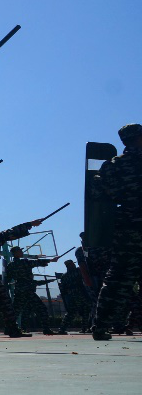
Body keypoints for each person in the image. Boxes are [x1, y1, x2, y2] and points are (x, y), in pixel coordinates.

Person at [91, 123, 142, 340]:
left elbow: (98, 192)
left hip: (127, 227)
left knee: (118, 279)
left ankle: (100, 326)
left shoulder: (113, 165)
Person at [5, 246, 59, 334]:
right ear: (16, 253)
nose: (21, 252)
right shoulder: (24, 262)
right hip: (28, 289)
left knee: (15, 311)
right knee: (42, 308)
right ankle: (46, 329)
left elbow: (7, 278)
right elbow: (37, 262)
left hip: (18, 289)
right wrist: (51, 260)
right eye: (20, 251)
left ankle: (9, 329)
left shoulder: (10, 265)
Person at [58, 260, 92, 334]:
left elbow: (62, 289)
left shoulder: (64, 276)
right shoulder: (78, 271)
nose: (73, 265)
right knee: (86, 309)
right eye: (72, 264)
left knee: (71, 312)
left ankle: (62, 329)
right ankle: (85, 328)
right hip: (81, 294)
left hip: (71, 297)